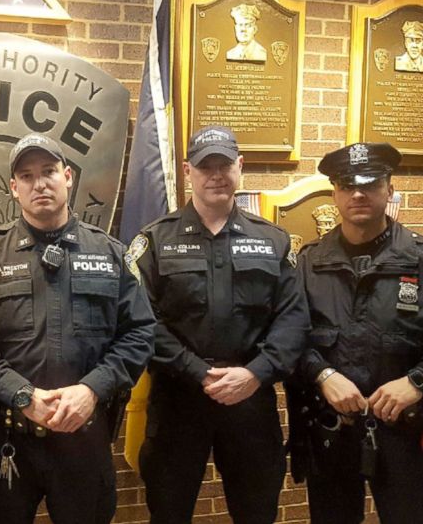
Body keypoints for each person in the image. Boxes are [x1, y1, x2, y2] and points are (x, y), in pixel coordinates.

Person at [287, 142, 423, 523]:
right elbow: (286, 339)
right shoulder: (307, 265)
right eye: (346, 183)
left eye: (370, 183)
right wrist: (322, 375)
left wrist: (419, 381)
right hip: (332, 434)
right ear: (334, 192)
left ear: (389, 188)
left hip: (405, 436)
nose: (358, 192)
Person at [0, 133, 155, 524]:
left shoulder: (111, 254)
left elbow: (140, 333)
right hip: (9, 437)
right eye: (26, 176)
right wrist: (22, 395)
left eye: (48, 172)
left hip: (84, 437)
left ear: (68, 176)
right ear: (13, 188)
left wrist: (92, 389)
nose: (38, 183)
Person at [132, 126, 309, 524]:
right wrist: (197, 371)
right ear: (187, 171)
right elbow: (141, 320)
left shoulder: (274, 241)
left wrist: (254, 373)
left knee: (257, 512)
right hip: (178, 400)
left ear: (239, 167)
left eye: (224, 164)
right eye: (204, 165)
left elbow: (294, 319)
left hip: (251, 398)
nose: (215, 174)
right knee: (169, 511)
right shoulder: (155, 241)